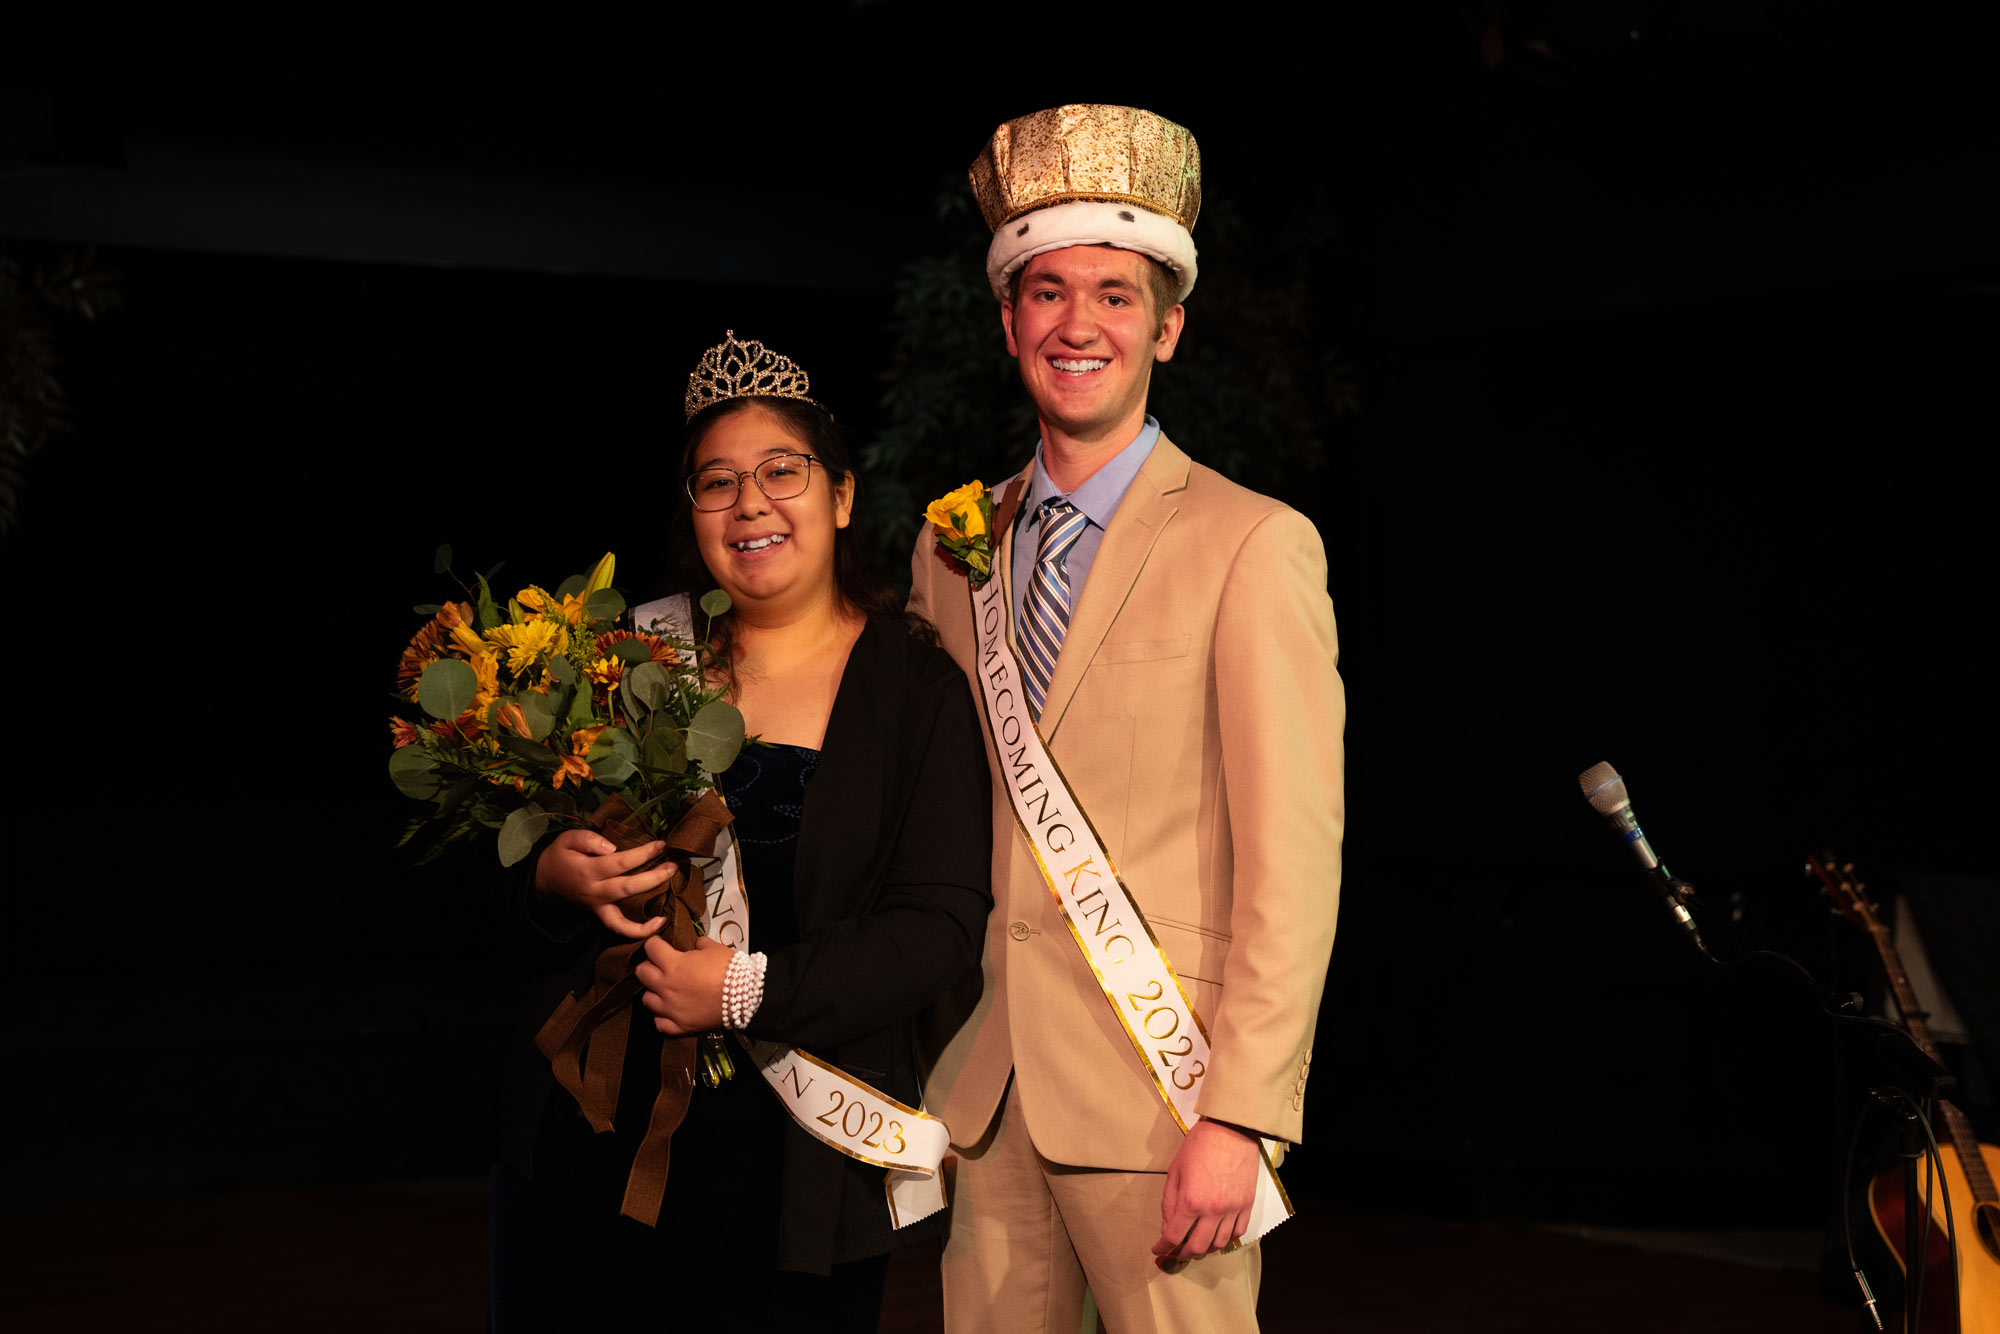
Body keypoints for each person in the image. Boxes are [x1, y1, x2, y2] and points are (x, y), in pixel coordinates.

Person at [907, 105, 1345, 1332]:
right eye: (1046, 292)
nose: (1077, 323)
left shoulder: (1250, 541)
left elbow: (1292, 858)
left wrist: (1244, 1110)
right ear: (1008, 321)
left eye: (1113, 292)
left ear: (1168, 324)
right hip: (984, 1086)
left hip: (1167, 1092)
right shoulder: (950, 550)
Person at [490, 331, 990, 1331]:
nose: (749, 502)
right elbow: (515, 877)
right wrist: (551, 873)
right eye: (716, 481)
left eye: (780, 472)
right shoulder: (629, 655)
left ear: (841, 496)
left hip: (802, 1161)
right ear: (693, 513)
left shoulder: (913, 686)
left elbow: (937, 928)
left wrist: (744, 986)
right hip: (601, 1133)